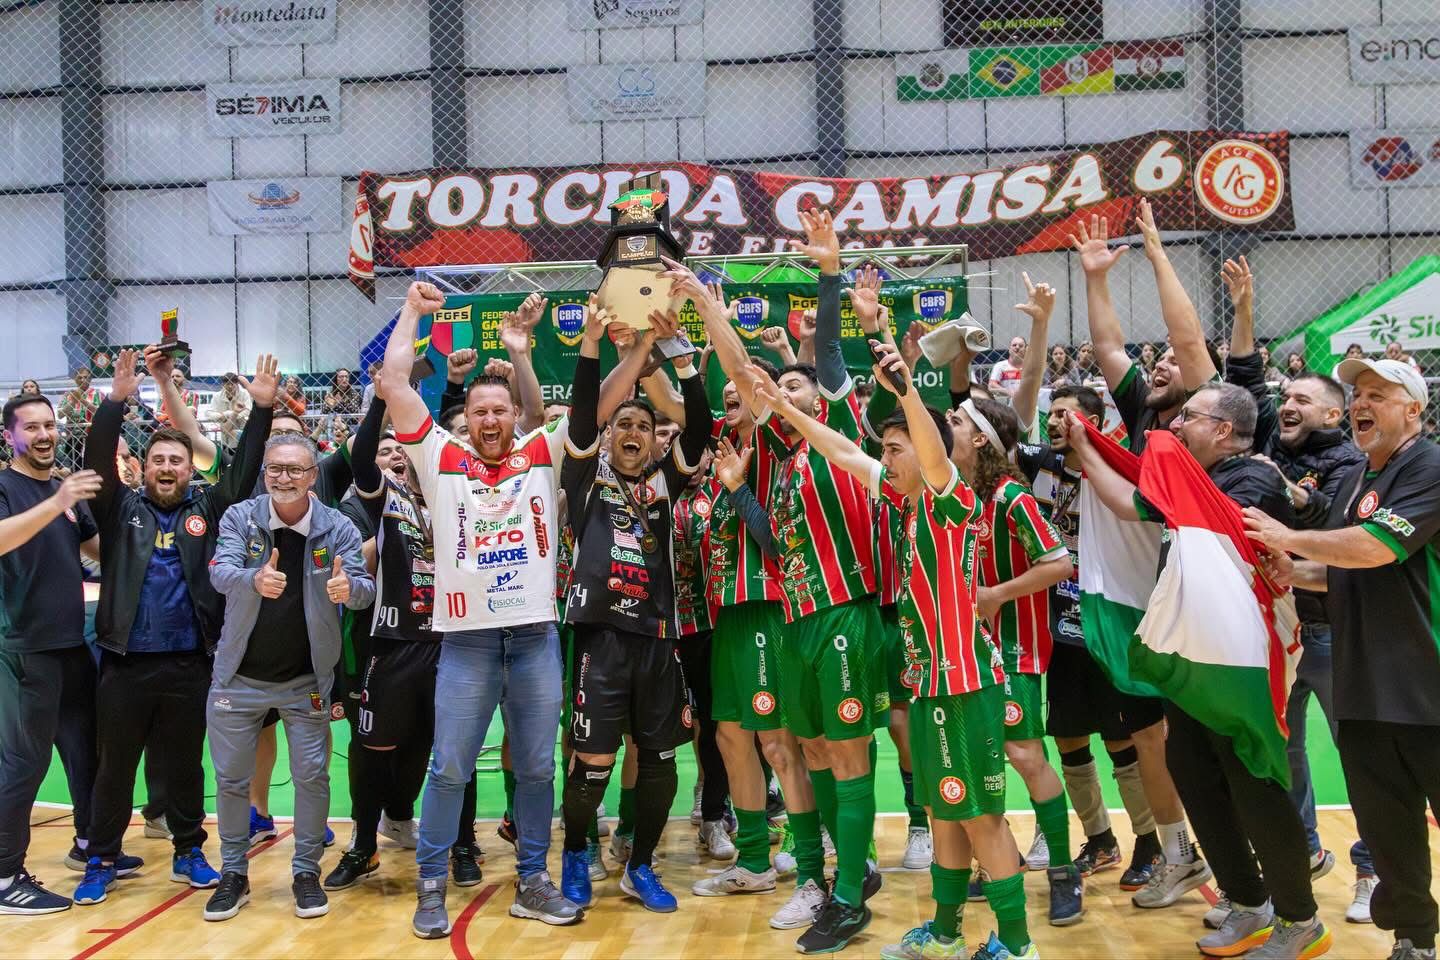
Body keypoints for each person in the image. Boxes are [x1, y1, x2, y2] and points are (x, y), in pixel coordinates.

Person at [758, 342, 1038, 960]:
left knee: (980, 816)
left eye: (895, 449)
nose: (884, 460)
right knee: (944, 812)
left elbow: (931, 450)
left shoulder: (947, 498)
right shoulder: (904, 505)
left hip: (967, 685)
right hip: (933, 685)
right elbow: (840, 450)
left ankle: (1017, 946)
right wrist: (785, 407)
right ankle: (943, 932)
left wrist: (909, 392)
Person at [1071, 382, 1331, 960]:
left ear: (1222, 430)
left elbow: (1152, 496)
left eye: (1189, 416)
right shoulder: (1196, 479)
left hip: (1242, 660)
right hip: (1196, 656)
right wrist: (1085, 445)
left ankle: (1300, 918)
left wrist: (1097, 445)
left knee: (1255, 785)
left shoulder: (1252, 478)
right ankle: (1248, 901)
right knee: (1196, 778)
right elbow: (1137, 498)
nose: (1176, 424)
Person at [383, 283, 588, 936]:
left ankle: (533, 880)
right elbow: (392, 380)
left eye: (501, 410)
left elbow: (586, 409)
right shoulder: (439, 456)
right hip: (468, 642)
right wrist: (413, 312)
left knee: (535, 766)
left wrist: (601, 344)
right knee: (449, 766)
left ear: (512, 416)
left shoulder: (540, 454)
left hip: (533, 638)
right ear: (466, 420)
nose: (492, 419)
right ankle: (431, 888)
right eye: (481, 411)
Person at [1245, 357, 1440, 960]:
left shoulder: (1430, 465)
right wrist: (1296, 569)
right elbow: (1343, 569)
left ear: (1414, 410)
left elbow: (1375, 548)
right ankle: (1414, 940)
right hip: (1366, 687)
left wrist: (1288, 537)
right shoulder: (1359, 476)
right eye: (1358, 394)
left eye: (1379, 395)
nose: (1362, 403)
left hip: (1427, 686)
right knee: (1389, 829)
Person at [72, 349, 276, 907]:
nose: (167, 468)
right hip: (125, 661)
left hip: (189, 661)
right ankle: (102, 858)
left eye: (177, 462)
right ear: (143, 467)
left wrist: (260, 412)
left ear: (191, 469)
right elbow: (94, 457)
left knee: (186, 764)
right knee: (115, 769)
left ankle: (189, 850)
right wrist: (116, 400)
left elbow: (239, 474)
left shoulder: (209, 509)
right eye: (158, 460)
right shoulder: (119, 509)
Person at [1221, 255, 1372, 920]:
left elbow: (1320, 522)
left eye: (1303, 399)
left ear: (1336, 416)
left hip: (1331, 630)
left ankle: (1372, 871)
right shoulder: (1274, 444)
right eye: (1288, 398)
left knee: (1357, 753)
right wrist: (1246, 307)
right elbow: (1246, 380)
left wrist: (1282, 491)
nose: (1288, 403)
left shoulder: (1351, 466)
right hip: (1272, 627)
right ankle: (1305, 850)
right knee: (1281, 752)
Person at [556, 298, 710, 915]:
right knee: (593, 759)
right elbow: (580, 417)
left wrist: (681, 359)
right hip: (600, 639)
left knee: (661, 760)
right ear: (607, 435)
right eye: (623, 425)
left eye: (644, 427)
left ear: (652, 441)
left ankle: (640, 865)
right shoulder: (583, 477)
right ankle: (574, 852)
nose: (632, 433)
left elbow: (697, 431)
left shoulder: (664, 482)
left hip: (658, 639)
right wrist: (591, 346)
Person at [202, 432, 375, 923]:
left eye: (295, 469)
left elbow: (364, 587)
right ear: (264, 472)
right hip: (238, 678)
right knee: (232, 781)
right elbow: (220, 573)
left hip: (307, 681)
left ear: (312, 475)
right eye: (275, 468)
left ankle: (305, 872)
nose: (283, 477)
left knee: (312, 778)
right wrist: (253, 580)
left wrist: (349, 589)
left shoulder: (337, 527)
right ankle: (233, 874)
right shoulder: (241, 517)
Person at [324, 382, 482, 893]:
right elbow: (362, 454)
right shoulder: (385, 496)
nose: (413, 457)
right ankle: (364, 847)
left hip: (455, 645)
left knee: (455, 753)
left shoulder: (467, 498)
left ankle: (462, 845)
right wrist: (380, 397)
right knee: (371, 750)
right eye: (408, 450)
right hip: (392, 648)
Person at [0, 394, 106, 915]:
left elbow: (97, 550)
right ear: (10, 437)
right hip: (23, 645)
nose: (44, 434)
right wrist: (56, 500)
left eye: (50, 425)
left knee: (87, 746)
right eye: (31, 428)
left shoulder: (63, 493)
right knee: (24, 761)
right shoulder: (6, 487)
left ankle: (88, 844)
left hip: (70, 642)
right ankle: (3, 877)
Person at [207, 373, 252, 449]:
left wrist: (232, 415)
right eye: (227, 384)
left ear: (237, 383)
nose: (230, 386)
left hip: (241, 432)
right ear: (223, 384)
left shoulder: (244, 393)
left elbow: (248, 410)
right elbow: (209, 414)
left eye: (232, 384)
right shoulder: (217, 396)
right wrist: (224, 415)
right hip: (225, 436)